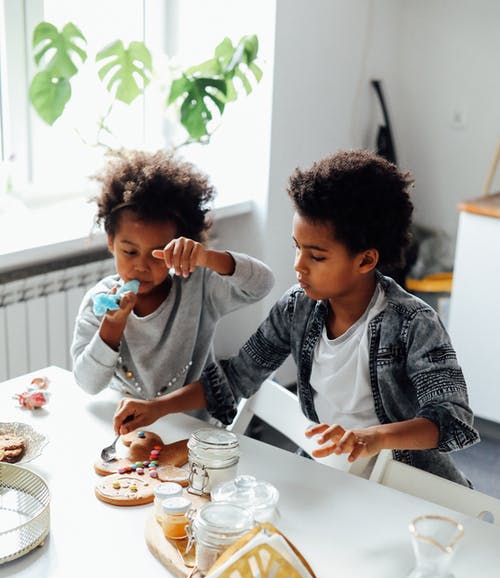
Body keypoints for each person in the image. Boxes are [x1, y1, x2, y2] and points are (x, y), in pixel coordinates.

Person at [112, 149, 479, 484]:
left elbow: (452, 417)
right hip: (330, 474)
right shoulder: (297, 307)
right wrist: (154, 408)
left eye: (316, 256)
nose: (298, 266)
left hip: (407, 485)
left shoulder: (413, 323)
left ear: (366, 260)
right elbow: (236, 377)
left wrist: (373, 438)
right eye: (296, 248)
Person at [71, 149, 274, 412]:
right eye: (130, 252)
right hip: (126, 427)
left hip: (191, 430)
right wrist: (110, 328)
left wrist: (207, 257)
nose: (141, 266)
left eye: (158, 255)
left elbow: (262, 285)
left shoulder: (199, 287)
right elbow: (87, 384)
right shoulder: (98, 303)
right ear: (111, 242)